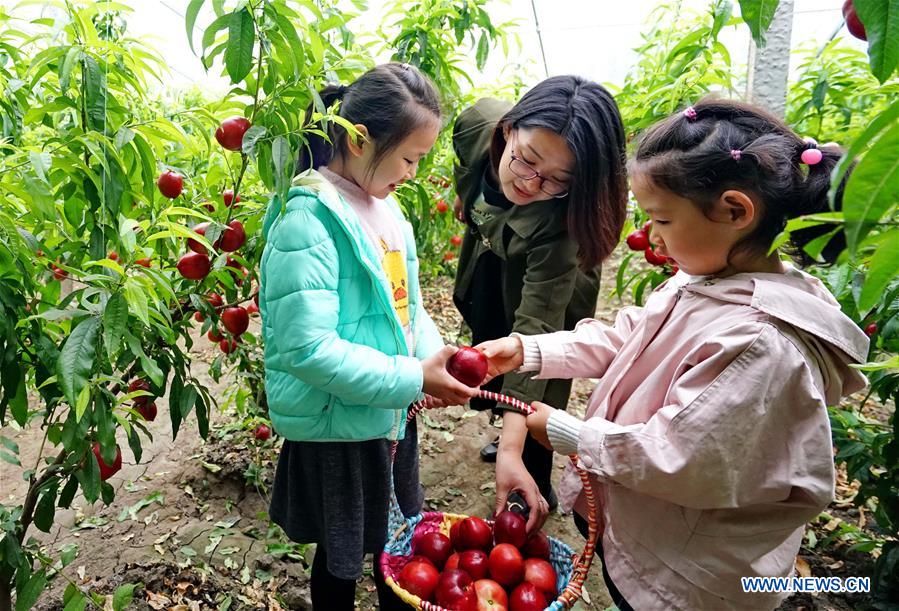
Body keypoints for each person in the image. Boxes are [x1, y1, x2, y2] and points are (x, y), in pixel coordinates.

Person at [477, 99, 870, 610]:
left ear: (735, 211)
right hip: (653, 536)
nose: (654, 237)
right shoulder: (707, 278)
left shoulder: (760, 345)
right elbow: (631, 336)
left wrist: (567, 431)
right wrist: (529, 350)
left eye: (660, 218)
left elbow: (678, 457)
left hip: (688, 577)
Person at [259, 63, 478, 610]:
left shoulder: (387, 210)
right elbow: (307, 350)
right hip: (338, 424)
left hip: (384, 413)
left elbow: (408, 312)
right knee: (341, 553)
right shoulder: (306, 222)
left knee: (392, 543)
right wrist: (409, 377)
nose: (412, 173)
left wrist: (434, 360)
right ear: (358, 140)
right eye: (409, 158)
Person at [450, 76, 628, 523]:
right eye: (526, 161)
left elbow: (536, 327)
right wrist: (465, 197)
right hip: (496, 254)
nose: (531, 183)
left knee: (539, 370)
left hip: (553, 284)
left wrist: (513, 449)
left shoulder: (563, 224)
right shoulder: (476, 127)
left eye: (556, 180)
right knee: (491, 340)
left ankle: (532, 471)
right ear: (508, 130)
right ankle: (506, 424)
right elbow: (466, 167)